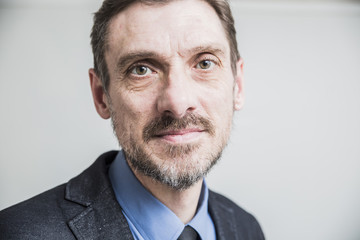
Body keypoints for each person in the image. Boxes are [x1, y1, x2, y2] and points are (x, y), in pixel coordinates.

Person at [0, 0, 265, 239]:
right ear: (101, 95)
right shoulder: (16, 232)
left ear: (237, 86)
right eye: (141, 70)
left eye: (205, 63)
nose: (178, 103)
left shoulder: (246, 228)